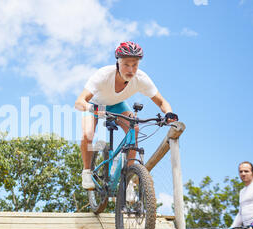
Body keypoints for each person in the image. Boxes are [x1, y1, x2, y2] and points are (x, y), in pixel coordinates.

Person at [74, 41, 178, 190]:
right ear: (118, 63)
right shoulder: (103, 75)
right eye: (126, 65)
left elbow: (162, 101)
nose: (130, 69)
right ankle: (87, 172)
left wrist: (168, 113)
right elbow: (79, 102)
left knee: (134, 129)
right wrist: (92, 108)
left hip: (117, 105)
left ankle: (128, 179)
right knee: (87, 134)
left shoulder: (141, 78)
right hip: (95, 105)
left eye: (134, 65)